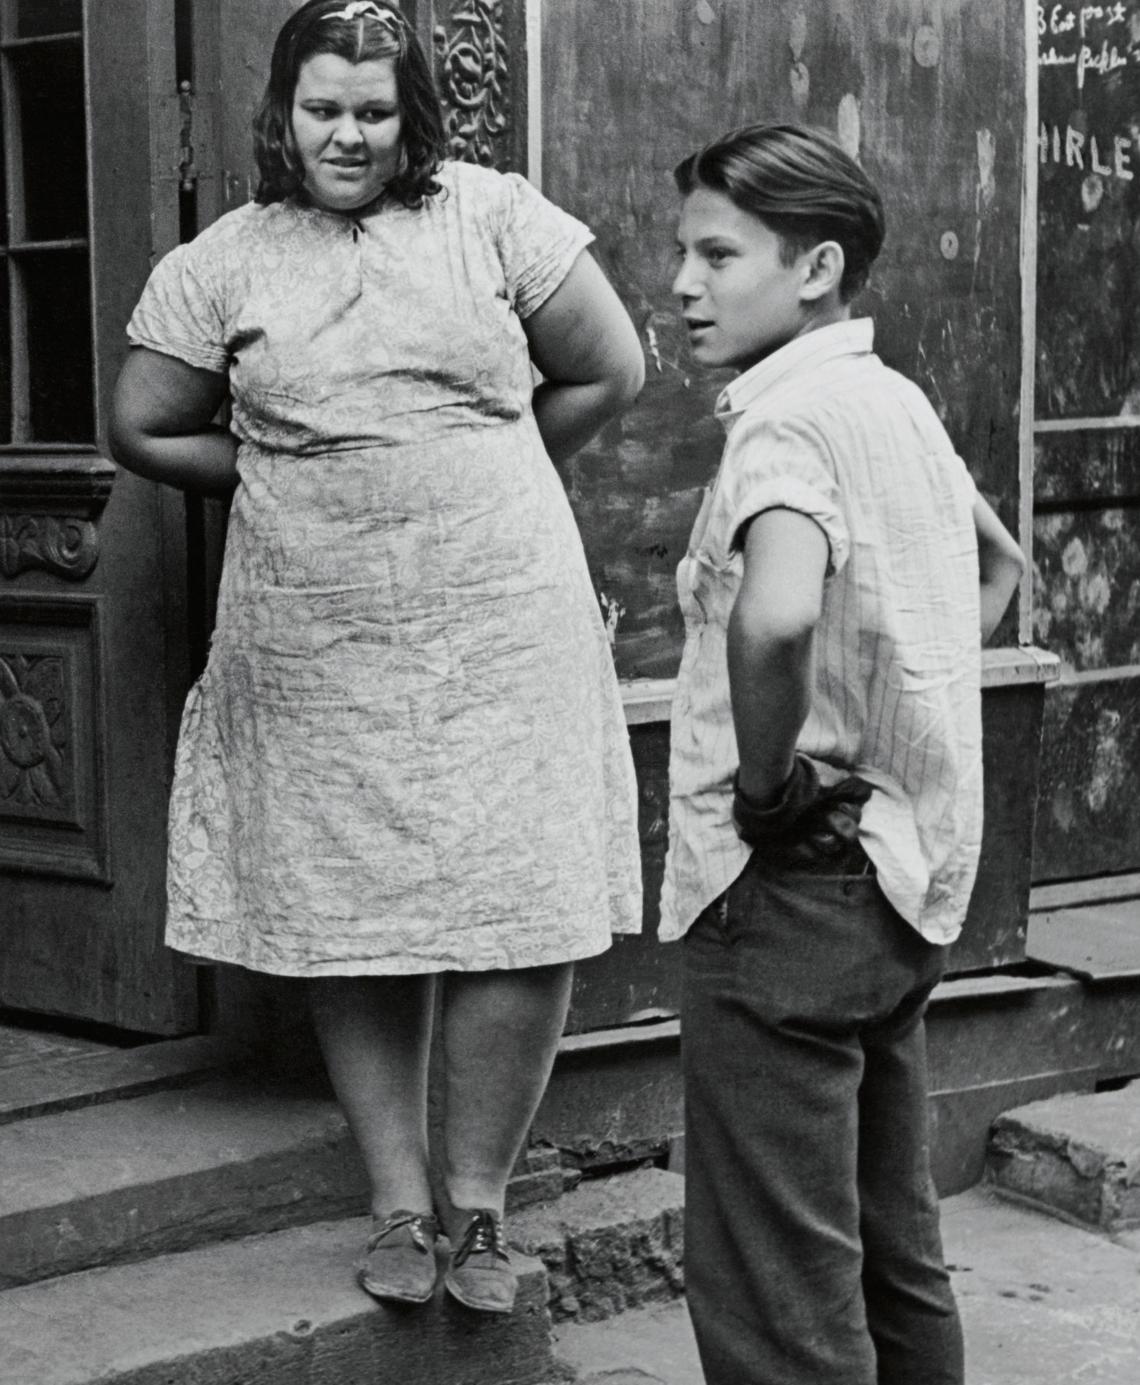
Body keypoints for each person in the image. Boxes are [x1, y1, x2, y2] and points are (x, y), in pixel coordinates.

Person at [108, 0, 644, 1316]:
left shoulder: (494, 217)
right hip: (315, 622)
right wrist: (277, 468)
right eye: (323, 108)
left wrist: (483, 472)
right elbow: (140, 423)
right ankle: (399, 1202)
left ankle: (477, 1210)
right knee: (357, 916)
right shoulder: (225, 260)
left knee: (517, 900)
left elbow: (609, 369)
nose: (348, 132)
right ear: (281, 116)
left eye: (374, 108)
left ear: (411, 115)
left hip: (501, 609)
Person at [659, 122, 1025, 1384]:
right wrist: (896, 720)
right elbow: (999, 566)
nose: (683, 284)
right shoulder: (892, 400)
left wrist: (770, 781)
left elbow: (774, 612)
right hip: (894, 875)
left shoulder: (786, 426)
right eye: (683, 253)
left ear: (814, 268)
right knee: (888, 1247)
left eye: (717, 254)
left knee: (777, 1290)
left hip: (788, 887)